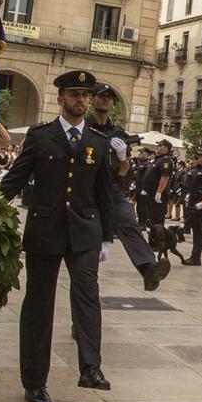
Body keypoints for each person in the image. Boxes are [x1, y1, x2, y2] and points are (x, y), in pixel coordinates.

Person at [0, 70, 118, 402]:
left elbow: (104, 194)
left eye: (85, 95)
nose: (81, 100)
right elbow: (14, 180)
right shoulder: (41, 136)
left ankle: (91, 367)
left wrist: (106, 238)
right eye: (74, 94)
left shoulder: (98, 141)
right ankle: (34, 380)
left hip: (85, 231)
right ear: (61, 98)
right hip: (45, 229)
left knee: (87, 292)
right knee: (39, 303)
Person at [86, 88, 164, 290]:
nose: (104, 100)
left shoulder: (119, 133)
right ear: (92, 99)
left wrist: (121, 157)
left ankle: (148, 268)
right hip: (85, 188)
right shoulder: (83, 126)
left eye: (108, 98)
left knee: (129, 221)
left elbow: (124, 170)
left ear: (113, 103)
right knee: (87, 238)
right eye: (100, 96)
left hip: (111, 186)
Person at [184, 145, 202, 264]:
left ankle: (196, 257)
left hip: (199, 201)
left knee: (198, 230)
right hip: (192, 199)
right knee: (193, 228)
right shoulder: (195, 169)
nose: (199, 157)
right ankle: (193, 255)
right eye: (199, 155)